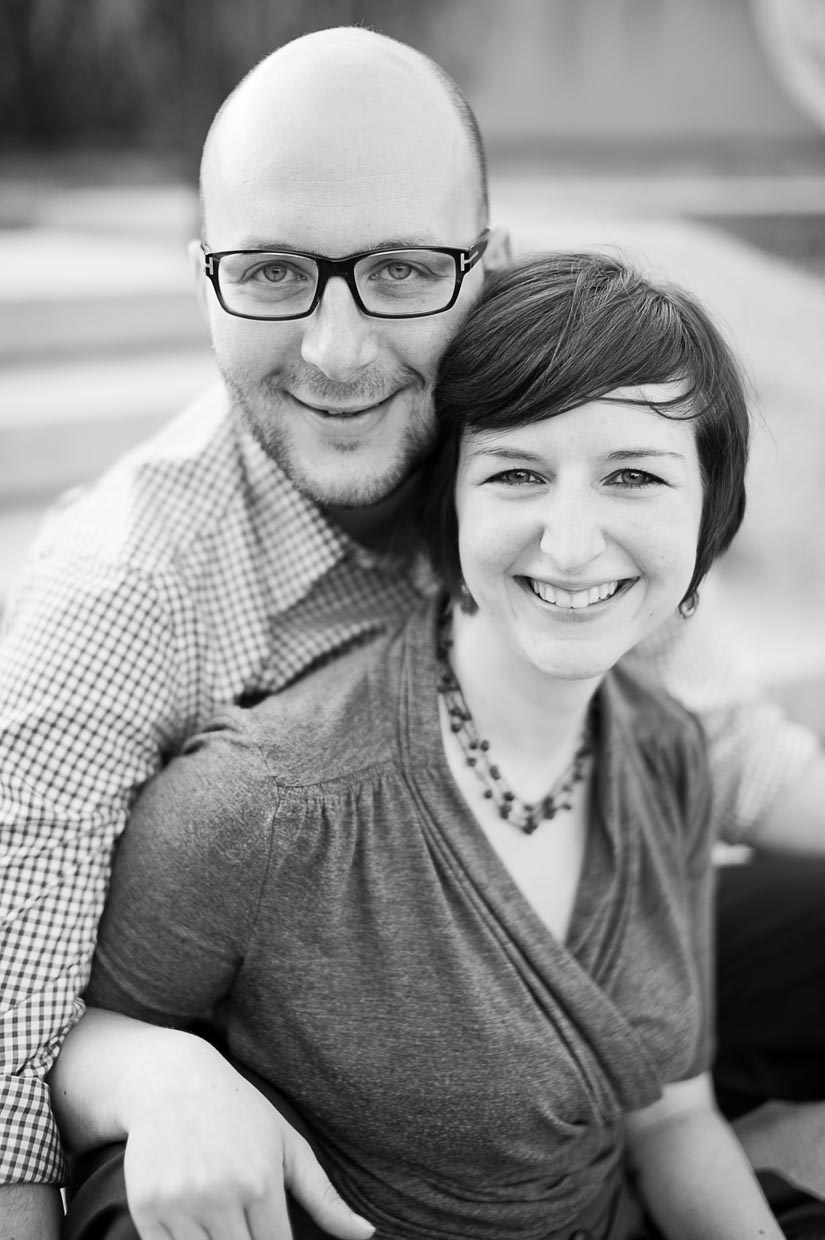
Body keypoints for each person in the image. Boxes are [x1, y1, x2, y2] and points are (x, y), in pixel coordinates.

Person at [1, 24, 824, 1239]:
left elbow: (720, 740)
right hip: (308, 1111)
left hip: (566, 990)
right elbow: (17, 1052)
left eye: (399, 269)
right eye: (274, 273)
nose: (338, 353)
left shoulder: (547, 463)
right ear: (205, 278)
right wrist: (143, 1067)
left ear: (486, 263)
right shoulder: (123, 596)